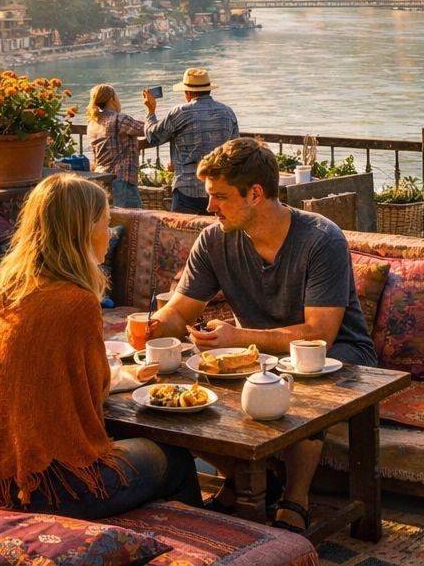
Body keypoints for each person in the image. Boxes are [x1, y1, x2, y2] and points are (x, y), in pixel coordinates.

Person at [149, 137, 377, 533]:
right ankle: (246, 479)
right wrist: (153, 328)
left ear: (255, 194)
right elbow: (181, 311)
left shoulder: (321, 239)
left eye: (219, 196)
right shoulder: (214, 239)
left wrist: (238, 339)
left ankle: (295, 498)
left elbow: (319, 334)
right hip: (258, 359)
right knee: (178, 384)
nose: (209, 207)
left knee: (300, 372)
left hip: (340, 356)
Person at [0, 174, 200, 517]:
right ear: (84, 231)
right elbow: (93, 392)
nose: (108, 233)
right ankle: (202, 546)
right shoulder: (76, 302)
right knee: (175, 457)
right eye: (105, 224)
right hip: (53, 485)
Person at [142, 67, 239, 214]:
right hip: (219, 189)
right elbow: (235, 150)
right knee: (217, 235)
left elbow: (153, 136)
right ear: (209, 90)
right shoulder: (228, 112)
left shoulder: (180, 112)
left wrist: (151, 112)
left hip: (186, 189)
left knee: (182, 234)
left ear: (187, 93)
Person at [86, 84, 145, 209]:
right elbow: (148, 129)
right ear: (112, 99)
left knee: (110, 222)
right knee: (130, 223)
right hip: (122, 181)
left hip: (101, 180)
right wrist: (151, 110)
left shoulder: (92, 124)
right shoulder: (119, 119)